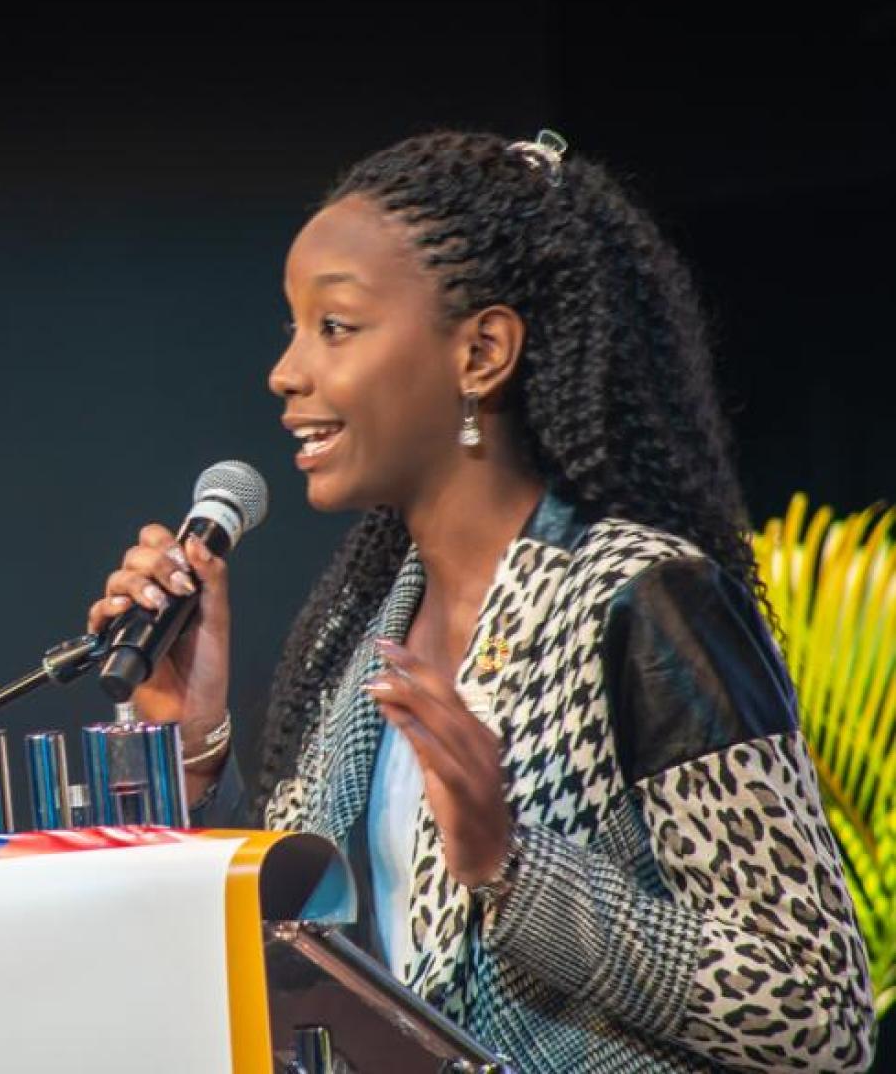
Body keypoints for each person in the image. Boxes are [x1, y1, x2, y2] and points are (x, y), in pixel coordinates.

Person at [87, 129, 875, 1072]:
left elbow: (817, 1013)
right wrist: (197, 751)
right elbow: (312, 959)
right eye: (291, 327)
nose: (286, 371)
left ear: (483, 352)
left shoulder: (643, 600)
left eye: (334, 327)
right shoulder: (360, 632)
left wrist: (513, 862)